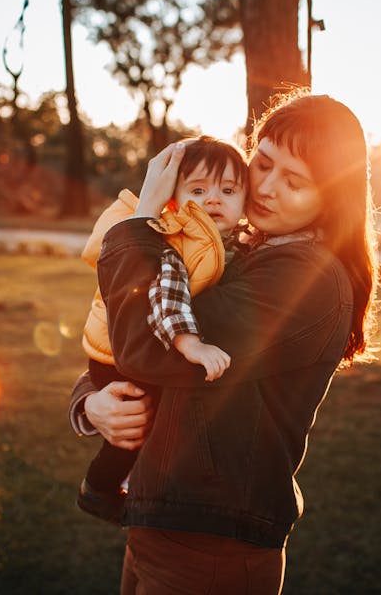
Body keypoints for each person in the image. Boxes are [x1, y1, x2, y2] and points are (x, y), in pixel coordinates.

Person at [68, 90, 379, 594]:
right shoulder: (231, 249)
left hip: (212, 549)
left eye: (295, 181)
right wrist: (93, 401)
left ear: (331, 199)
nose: (267, 187)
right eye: (264, 161)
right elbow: (131, 323)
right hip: (159, 521)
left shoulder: (306, 280)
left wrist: (139, 221)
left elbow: (150, 347)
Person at [77, 136, 250, 523]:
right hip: (115, 356)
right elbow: (167, 294)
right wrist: (191, 344)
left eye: (228, 190)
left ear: (245, 201)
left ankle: (120, 485)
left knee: (145, 427)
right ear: (174, 197)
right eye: (199, 190)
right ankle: (97, 490)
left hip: (127, 347)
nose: (214, 200)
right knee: (135, 429)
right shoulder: (175, 238)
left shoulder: (221, 240)